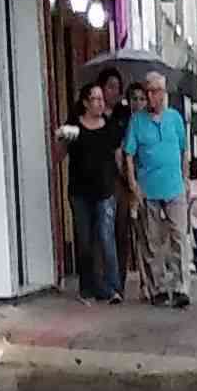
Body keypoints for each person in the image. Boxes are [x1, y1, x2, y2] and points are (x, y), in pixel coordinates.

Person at [127, 70, 192, 309]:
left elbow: (184, 150)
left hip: (174, 186)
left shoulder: (174, 118)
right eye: (151, 91)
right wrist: (133, 184)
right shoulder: (137, 121)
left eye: (158, 91)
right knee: (152, 240)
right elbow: (129, 154)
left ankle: (181, 287)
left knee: (179, 236)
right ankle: (158, 288)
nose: (155, 96)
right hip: (149, 187)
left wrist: (186, 177)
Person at [63, 82, 122, 306]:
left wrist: (122, 182)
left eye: (101, 99)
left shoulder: (110, 127)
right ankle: (87, 287)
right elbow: (59, 151)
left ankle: (113, 287)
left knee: (106, 238)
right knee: (85, 241)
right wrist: (60, 138)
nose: (100, 103)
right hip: (80, 192)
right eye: (95, 99)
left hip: (105, 191)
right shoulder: (74, 127)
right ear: (85, 103)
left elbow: (118, 156)